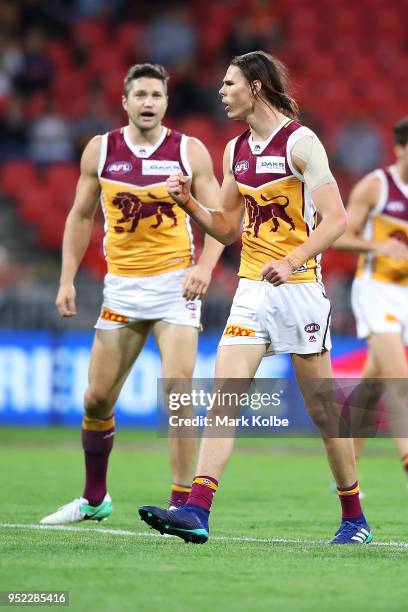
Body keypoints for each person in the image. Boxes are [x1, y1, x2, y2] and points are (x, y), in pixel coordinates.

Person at [139, 51, 372, 545]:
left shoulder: (301, 143)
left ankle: (354, 517)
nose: (221, 92)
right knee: (224, 398)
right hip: (251, 289)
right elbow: (225, 226)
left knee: (324, 412)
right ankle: (197, 511)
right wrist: (188, 203)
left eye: (230, 84)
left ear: (257, 87)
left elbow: (336, 219)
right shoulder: (234, 151)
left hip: (301, 290)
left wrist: (290, 261)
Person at [40, 63, 223, 524]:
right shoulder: (100, 151)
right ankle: (95, 498)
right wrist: (66, 278)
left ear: (166, 102)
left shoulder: (190, 151)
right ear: (124, 101)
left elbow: (221, 217)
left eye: (156, 95)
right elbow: (81, 217)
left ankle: (184, 505)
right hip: (121, 289)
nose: (148, 102)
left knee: (178, 393)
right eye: (140, 94)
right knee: (96, 400)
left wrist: (203, 266)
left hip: (175, 286)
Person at [334, 117, 408, 477]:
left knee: (372, 386)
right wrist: (377, 245)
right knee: (398, 376)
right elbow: (338, 236)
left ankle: (347, 474)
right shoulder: (376, 187)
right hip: (375, 290)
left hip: (406, 293)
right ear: (400, 148)